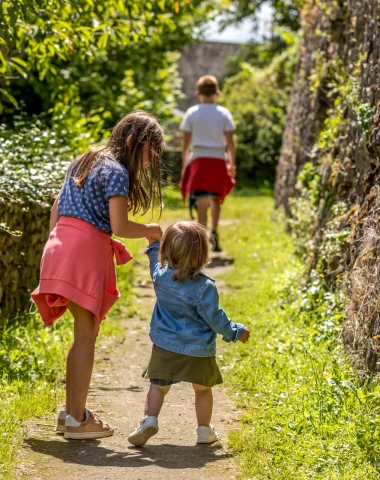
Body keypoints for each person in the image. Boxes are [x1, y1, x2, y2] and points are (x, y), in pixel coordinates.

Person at [31, 111, 164, 440]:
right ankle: (77, 418)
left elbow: (57, 207)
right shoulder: (117, 171)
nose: (149, 163)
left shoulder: (84, 159)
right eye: (150, 154)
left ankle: (72, 413)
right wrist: (151, 230)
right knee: (86, 336)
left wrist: (58, 247)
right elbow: (120, 226)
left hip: (59, 245)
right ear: (134, 142)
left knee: (82, 334)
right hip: (84, 251)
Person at [128, 222, 250, 447]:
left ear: (167, 252)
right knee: (203, 390)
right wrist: (236, 332)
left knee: (158, 386)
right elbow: (215, 318)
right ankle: (204, 430)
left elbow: (154, 260)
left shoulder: (161, 276)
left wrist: (154, 244)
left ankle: (149, 420)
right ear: (203, 254)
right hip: (198, 349)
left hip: (165, 346)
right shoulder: (205, 287)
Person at [180, 75, 236, 252]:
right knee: (215, 198)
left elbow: (186, 145)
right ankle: (214, 232)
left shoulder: (191, 113)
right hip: (218, 159)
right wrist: (232, 164)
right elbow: (230, 142)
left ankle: (201, 239)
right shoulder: (224, 113)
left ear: (198, 93)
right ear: (216, 93)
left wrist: (185, 167)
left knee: (201, 201)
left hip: (199, 160)